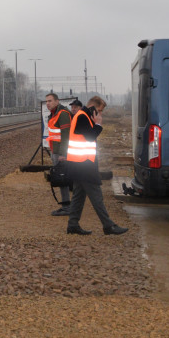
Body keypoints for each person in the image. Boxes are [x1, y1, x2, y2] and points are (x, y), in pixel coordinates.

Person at [64, 95, 127, 236]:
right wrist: (98, 124)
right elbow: (91, 136)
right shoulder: (82, 117)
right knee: (96, 196)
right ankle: (108, 226)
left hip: (80, 163)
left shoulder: (84, 116)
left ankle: (73, 225)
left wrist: (95, 123)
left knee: (78, 196)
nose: (101, 114)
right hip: (83, 165)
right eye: (99, 110)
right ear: (93, 108)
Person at [44, 92, 72, 216]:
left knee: (62, 179)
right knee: (64, 179)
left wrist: (62, 154)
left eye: (50, 101)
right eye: (46, 101)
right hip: (55, 151)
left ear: (57, 101)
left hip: (60, 153)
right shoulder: (54, 114)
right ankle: (69, 205)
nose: (47, 104)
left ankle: (67, 206)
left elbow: (66, 135)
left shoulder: (63, 114)